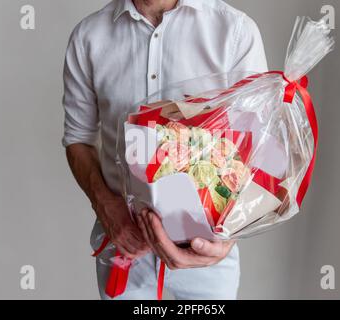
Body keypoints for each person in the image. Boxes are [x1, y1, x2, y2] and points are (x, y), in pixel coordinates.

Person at [62, 0, 267, 300]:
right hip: (123, 244)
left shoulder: (234, 31)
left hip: (206, 251)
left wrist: (228, 238)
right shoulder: (88, 37)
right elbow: (77, 137)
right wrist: (105, 205)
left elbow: (259, 147)